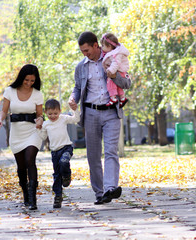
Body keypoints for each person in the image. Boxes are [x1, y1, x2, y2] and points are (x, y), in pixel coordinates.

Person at [68, 31, 131, 205]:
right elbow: (77, 88)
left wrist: (114, 76)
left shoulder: (112, 59)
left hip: (111, 111)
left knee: (111, 151)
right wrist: (73, 98)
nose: (85, 54)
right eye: (82, 51)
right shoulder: (81, 66)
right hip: (91, 113)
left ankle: (110, 189)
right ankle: (100, 192)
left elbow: (127, 83)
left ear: (96, 45)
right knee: (93, 155)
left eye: (87, 50)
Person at [0, 64, 44, 210]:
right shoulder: (10, 91)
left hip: (32, 132)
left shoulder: (37, 94)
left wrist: (40, 120)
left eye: (32, 81)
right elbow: (4, 111)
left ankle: (33, 198)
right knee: (21, 167)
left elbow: (40, 114)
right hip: (16, 134)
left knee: (30, 159)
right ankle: (26, 194)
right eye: (27, 80)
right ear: (21, 78)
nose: (29, 83)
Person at [37, 99, 80, 208]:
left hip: (66, 148)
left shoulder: (63, 119)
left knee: (64, 162)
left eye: (55, 113)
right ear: (45, 112)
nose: (53, 116)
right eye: (50, 114)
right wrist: (39, 128)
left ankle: (67, 175)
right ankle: (58, 196)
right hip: (55, 152)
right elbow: (42, 137)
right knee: (56, 175)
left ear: (60, 111)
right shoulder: (46, 124)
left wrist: (75, 110)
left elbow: (76, 119)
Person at [100, 33, 130, 108]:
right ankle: (122, 98)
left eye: (103, 46)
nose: (101, 47)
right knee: (117, 86)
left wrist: (110, 70)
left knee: (110, 83)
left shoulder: (116, 54)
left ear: (109, 46)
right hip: (119, 71)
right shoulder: (114, 52)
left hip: (119, 71)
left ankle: (113, 98)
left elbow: (116, 63)